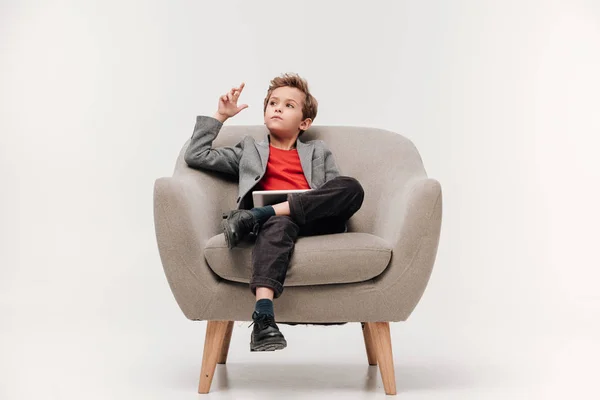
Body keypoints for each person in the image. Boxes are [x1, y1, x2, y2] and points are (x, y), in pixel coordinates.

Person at [184, 73, 364, 352]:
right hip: (277, 226)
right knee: (278, 225)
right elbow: (196, 155)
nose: (278, 108)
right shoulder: (249, 151)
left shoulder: (318, 150)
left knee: (351, 187)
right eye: (273, 103)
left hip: (315, 220)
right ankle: (264, 320)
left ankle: (260, 214)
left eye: (289, 105)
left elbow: (333, 194)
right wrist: (220, 116)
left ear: (304, 123)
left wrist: (268, 211)